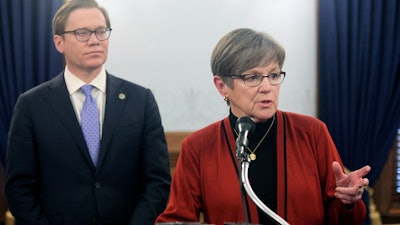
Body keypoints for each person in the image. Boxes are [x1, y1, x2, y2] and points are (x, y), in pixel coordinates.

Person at [155, 28, 371, 225]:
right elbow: (175, 219)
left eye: (274, 75)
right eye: (253, 77)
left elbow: (344, 220)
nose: (267, 87)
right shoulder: (198, 147)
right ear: (222, 86)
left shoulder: (312, 132)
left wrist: (347, 203)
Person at [5, 0, 171, 224]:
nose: (94, 40)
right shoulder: (31, 105)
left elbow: (158, 181)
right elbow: (19, 189)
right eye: (82, 33)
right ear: (59, 42)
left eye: (101, 32)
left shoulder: (140, 100)